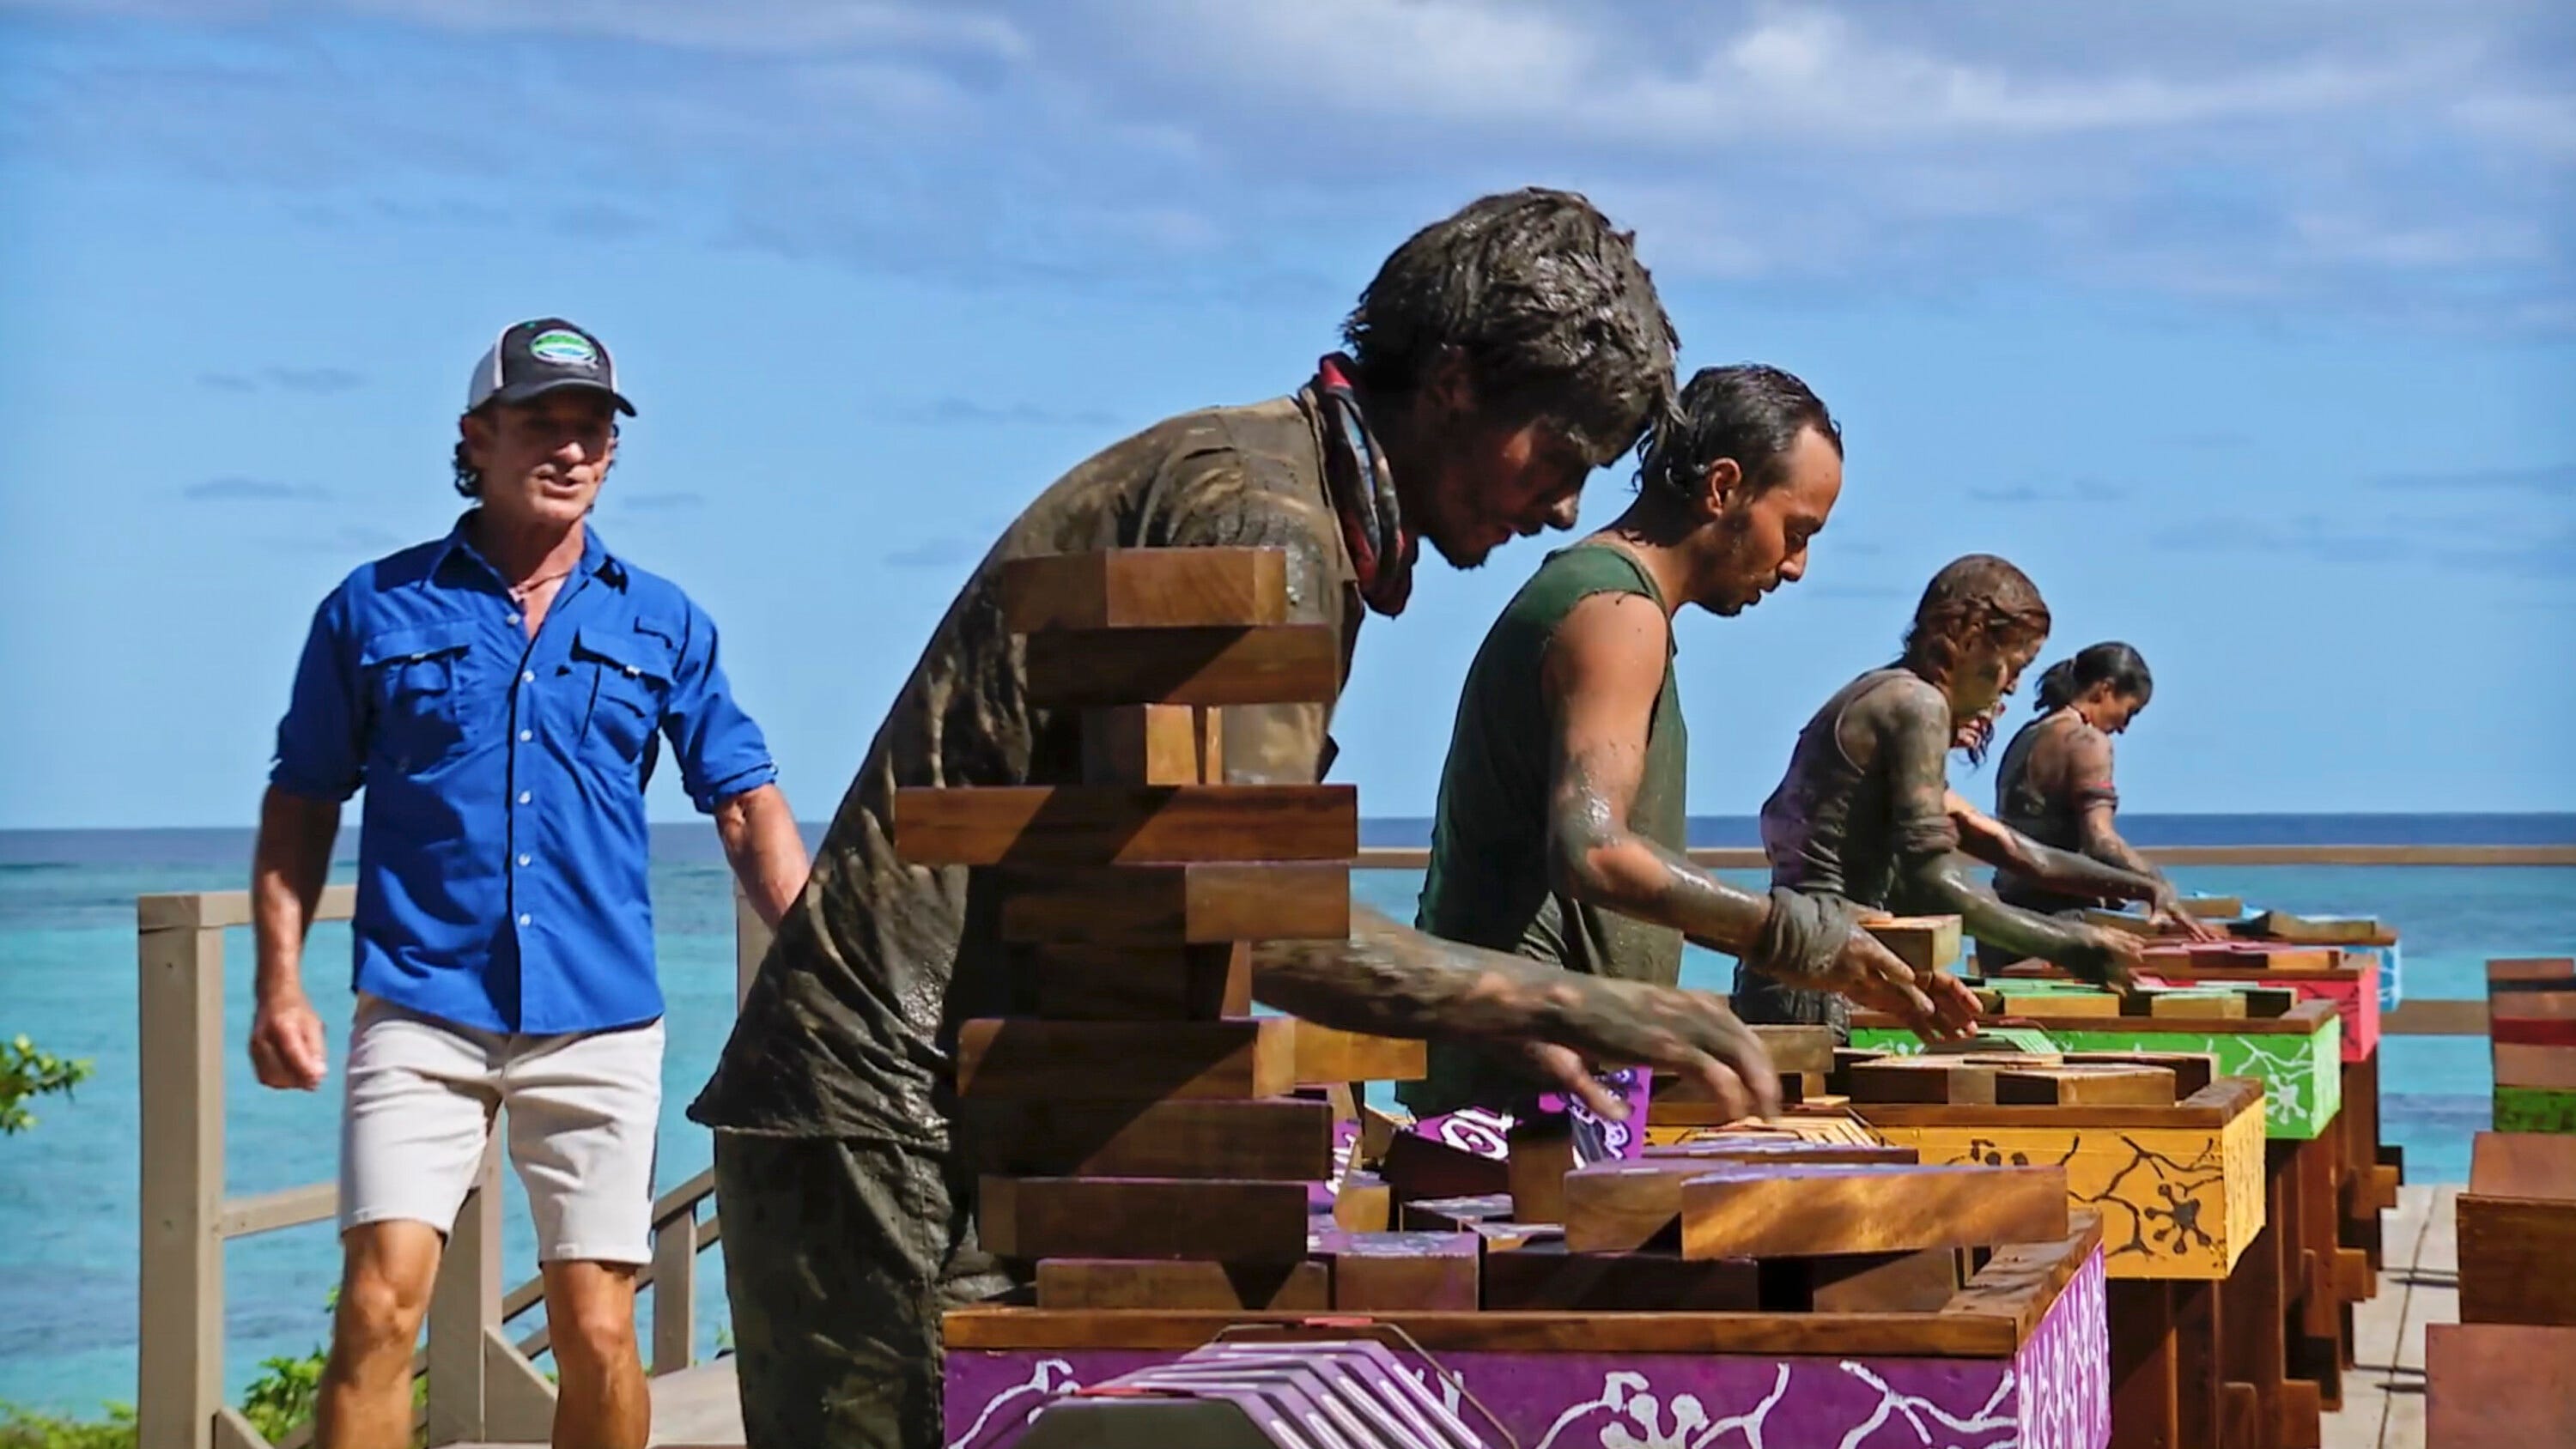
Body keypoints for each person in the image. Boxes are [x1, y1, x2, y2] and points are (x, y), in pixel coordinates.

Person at [689, 190, 1833, 1449]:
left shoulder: (1285, 506)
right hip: (897, 1120)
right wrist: (1565, 1001)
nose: (1564, 508)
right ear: (1455, 382)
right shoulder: (1261, 523)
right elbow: (1243, 905)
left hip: (968, 1110)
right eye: (1558, 453)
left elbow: (1165, 880)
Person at [248, 318, 811, 1449]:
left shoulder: (662, 618)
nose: (569, 449)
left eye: (591, 429)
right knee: (378, 1306)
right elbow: (303, 799)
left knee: (597, 1328)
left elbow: (746, 805)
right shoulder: (373, 607)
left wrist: (825, 975)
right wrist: (280, 983)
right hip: (421, 1003)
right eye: (540, 423)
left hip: (600, 1016)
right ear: (476, 437)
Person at [1400, 364, 1979, 1126]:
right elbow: (1594, 853)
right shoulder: (1616, 614)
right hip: (1508, 1101)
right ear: (1723, 488)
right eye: (1795, 532)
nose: (1796, 566)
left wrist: (1847, 945)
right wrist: (1798, 939)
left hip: (1539, 1078)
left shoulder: (1611, 602)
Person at [1737, 555, 2156, 1034]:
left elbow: (1902, 873)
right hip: (1819, 974)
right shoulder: (1920, 705)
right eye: (2013, 665)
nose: (2013, 686)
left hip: (1796, 960)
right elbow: (1930, 882)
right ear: (1971, 639)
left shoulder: (1877, 690)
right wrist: (2065, 943)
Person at [1973, 642, 2213, 967]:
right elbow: (2100, 841)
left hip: (2004, 922)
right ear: (2105, 690)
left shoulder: (2026, 736)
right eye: (2129, 712)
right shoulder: (2087, 742)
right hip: (2059, 924)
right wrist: (2158, 885)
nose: (2124, 728)